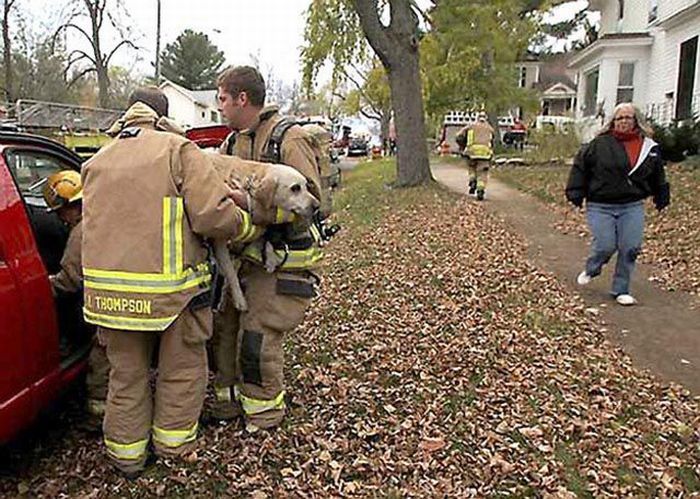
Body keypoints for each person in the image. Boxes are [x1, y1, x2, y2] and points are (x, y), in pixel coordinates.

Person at [81, 87, 260, 476]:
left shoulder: (96, 160)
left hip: (110, 300)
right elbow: (212, 217)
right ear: (162, 116)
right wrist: (245, 224)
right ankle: (173, 450)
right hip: (173, 297)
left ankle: (126, 457)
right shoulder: (178, 151)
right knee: (181, 371)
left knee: (125, 376)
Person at [212, 65, 323, 432]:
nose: (219, 107)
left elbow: (311, 205)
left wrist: (247, 203)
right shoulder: (232, 143)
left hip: (282, 263)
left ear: (243, 99)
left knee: (256, 337)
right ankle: (227, 406)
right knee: (224, 331)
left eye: (223, 99)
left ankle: (263, 414)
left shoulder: (288, 140)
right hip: (246, 260)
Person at [565, 102, 670, 306]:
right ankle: (592, 268)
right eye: (619, 118)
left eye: (628, 118)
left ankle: (621, 289)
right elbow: (580, 168)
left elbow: (658, 175)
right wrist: (575, 192)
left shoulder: (648, 147)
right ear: (613, 121)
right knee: (605, 245)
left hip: (631, 205)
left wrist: (661, 196)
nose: (623, 122)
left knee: (630, 247)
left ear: (635, 120)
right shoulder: (598, 144)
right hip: (600, 204)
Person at [43, 170, 109, 431]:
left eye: (60, 212)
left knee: (102, 358)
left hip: (106, 304)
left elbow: (70, 280)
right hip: (130, 297)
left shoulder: (81, 232)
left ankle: (99, 415)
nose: (60, 219)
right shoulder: (107, 215)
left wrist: (42, 286)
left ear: (72, 206)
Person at [455, 112, 494, 201]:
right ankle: (480, 190)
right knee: (482, 172)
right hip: (485, 153)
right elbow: (492, 141)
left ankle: (472, 180)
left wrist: (462, 146)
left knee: (472, 168)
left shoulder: (471, 126)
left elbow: (458, 136)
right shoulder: (490, 128)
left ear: (477, 118)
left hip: (471, 152)